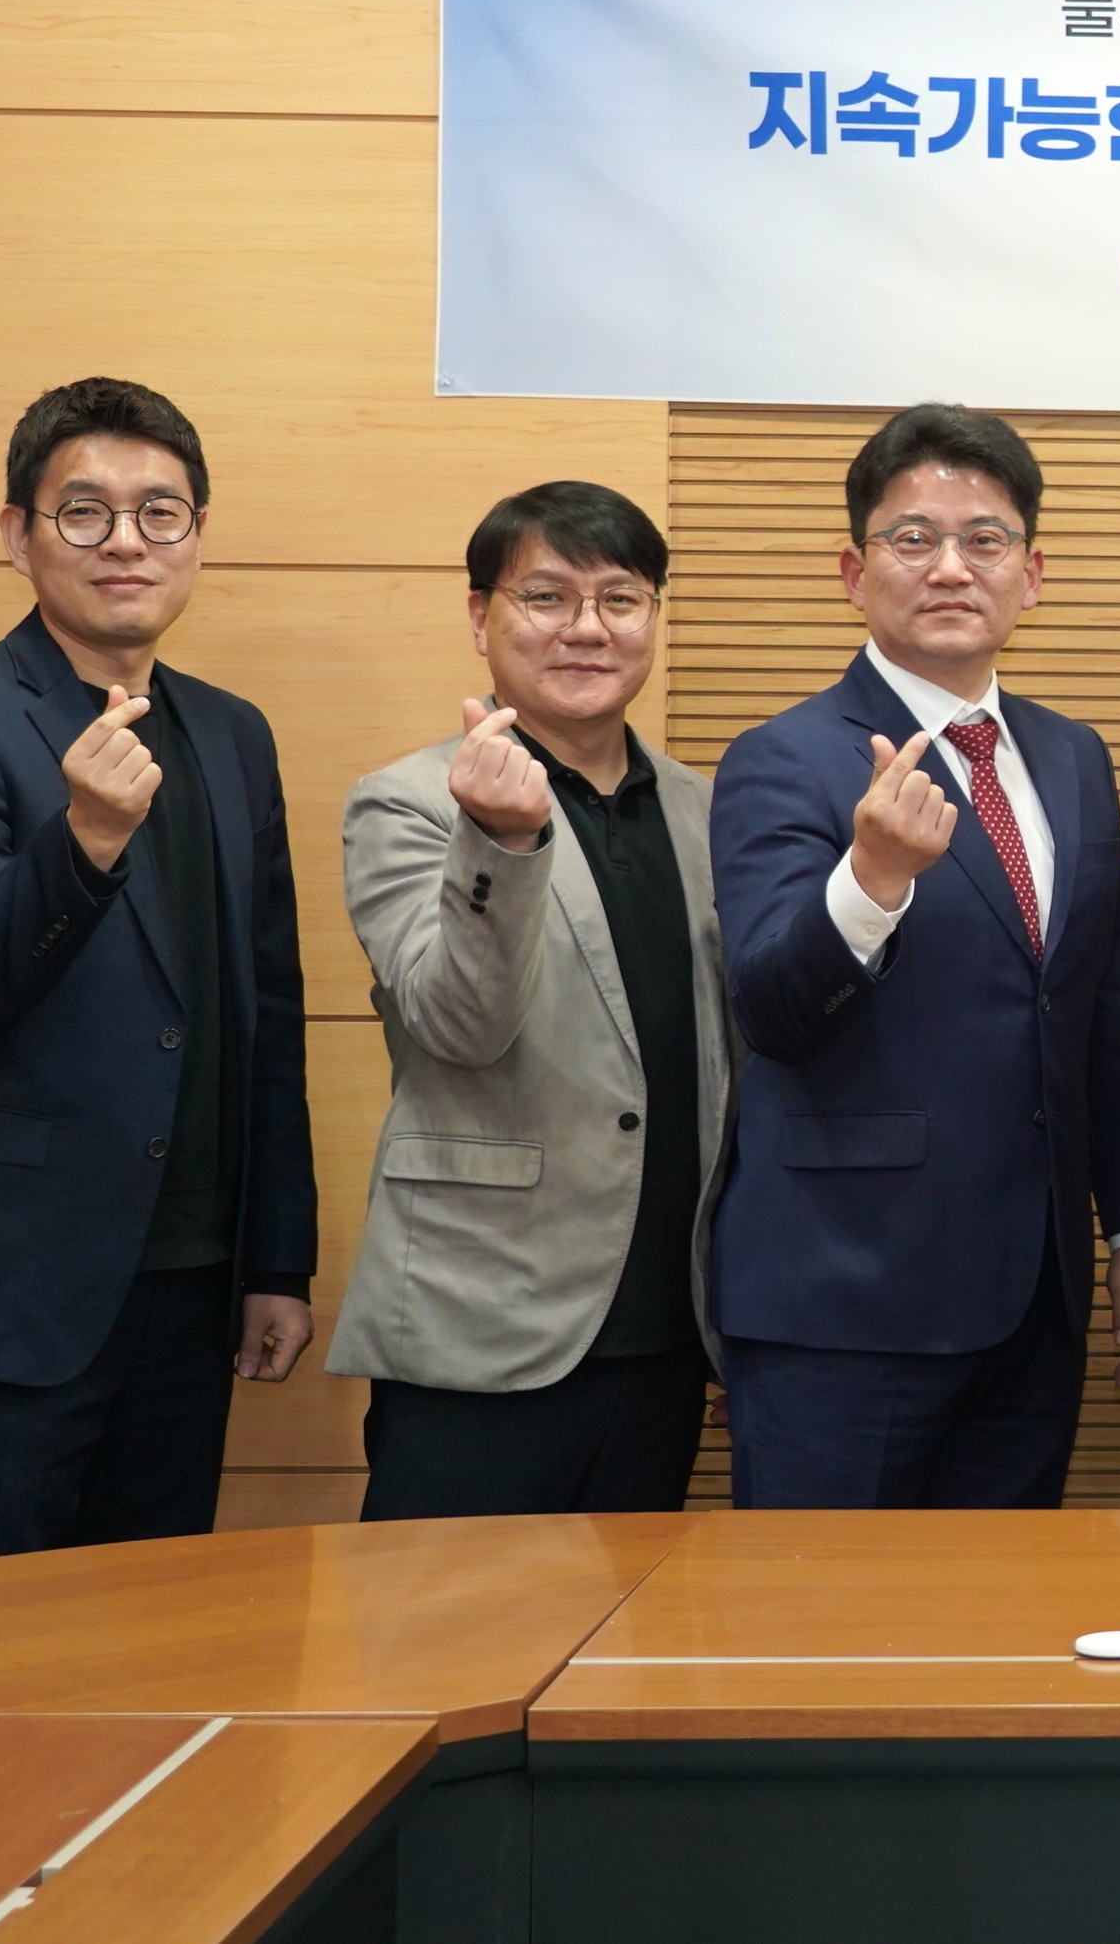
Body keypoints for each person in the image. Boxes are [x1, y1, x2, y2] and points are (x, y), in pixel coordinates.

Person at [0, 379, 313, 1571]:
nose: (126, 542)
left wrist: (275, 1260)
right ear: (20, 535)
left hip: (189, 1287)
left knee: (148, 1641)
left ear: (196, 535)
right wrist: (83, 844)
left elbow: (264, 1015)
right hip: (0, 1293)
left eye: (160, 512)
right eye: (85, 511)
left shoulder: (232, 733)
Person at [706, 405, 1120, 1508]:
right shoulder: (781, 758)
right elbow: (770, 1011)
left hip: (1035, 1295)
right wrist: (871, 878)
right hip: (843, 1297)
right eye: (913, 538)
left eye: (986, 540)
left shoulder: (1073, 757)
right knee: (817, 1608)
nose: (952, 567)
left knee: (1000, 1606)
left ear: (1032, 574)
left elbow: (1100, 1005)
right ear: (854, 572)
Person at [328, 484, 732, 1518]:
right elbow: (457, 1024)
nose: (587, 628)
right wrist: (501, 843)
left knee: (630, 1623)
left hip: (668, 1326)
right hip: (483, 1323)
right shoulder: (409, 802)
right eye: (546, 597)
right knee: (445, 1618)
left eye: (620, 599)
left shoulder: (705, 809)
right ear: (481, 617)